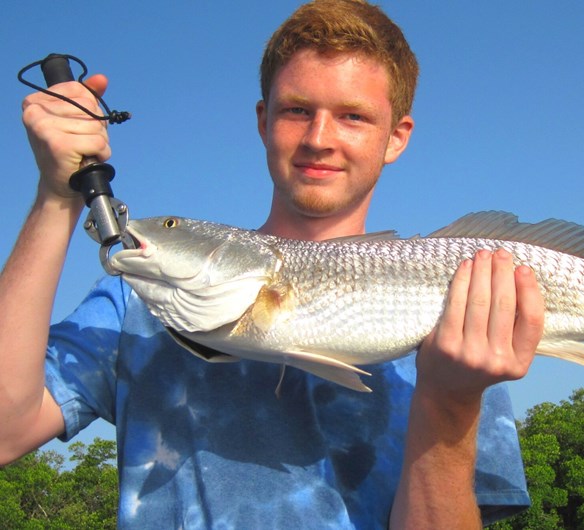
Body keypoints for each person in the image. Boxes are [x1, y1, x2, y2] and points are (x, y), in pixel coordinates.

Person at [0, 0, 544, 527]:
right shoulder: (138, 300)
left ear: (396, 137)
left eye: (353, 116)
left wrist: (448, 400)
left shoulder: (470, 316)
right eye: (296, 110)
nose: (319, 139)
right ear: (263, 120)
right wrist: (56, 196)